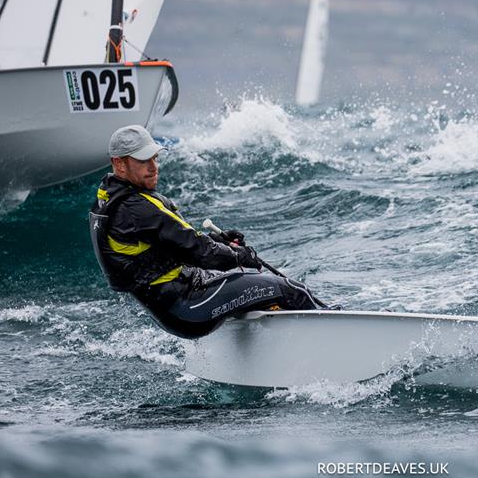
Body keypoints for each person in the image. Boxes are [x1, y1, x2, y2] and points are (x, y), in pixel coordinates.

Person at [89, 125, 322, 338]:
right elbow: (200, 252)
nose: (153, 167)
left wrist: (217, 240)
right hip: (188, 307)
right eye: (143, 161)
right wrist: (239, 255)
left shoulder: (109, 199)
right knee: (291, 289)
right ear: (119, 164)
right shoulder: (137, 208)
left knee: (259, 288)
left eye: (155, 158)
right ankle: (331, 336)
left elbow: (171, 247)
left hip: (175, 304)